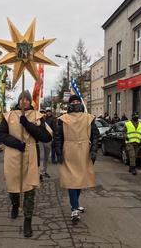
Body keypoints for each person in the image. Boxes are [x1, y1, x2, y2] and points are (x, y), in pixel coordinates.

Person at [0, 90, 52, 238]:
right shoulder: (8, 116)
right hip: (13, 155)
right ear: (19, 100)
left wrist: (27, 124)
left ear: (30, 101)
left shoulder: (37, 116)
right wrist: (16, 143)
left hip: (31, 156)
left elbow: (45, 136)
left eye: (27, 99)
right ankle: (15, 204)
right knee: (13, 186)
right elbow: (1, 134)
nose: (24, 101)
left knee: (29, 189)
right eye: (22, 99)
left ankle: (28, 221)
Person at [55, 94, 100, 224]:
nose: (75, 103)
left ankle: (75, 203)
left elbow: (95, 136)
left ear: (80, 103)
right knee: (71, 181)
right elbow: (58, 137)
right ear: (69, 104)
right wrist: (59, 153)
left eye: (76, 101)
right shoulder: (63, 119)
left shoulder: (88, 118)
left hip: (84, 153)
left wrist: (93, 151)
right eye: (72, 101)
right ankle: (74, 209)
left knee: (80, 180)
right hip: (69, 152)